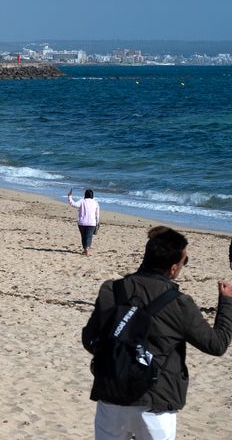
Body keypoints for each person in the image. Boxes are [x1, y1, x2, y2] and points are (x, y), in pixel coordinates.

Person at [81, 227, 231, 439]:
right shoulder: (180, 303)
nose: (182, 266)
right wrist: (227, 302)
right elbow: (217, 345)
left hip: (111, 394)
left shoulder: (111, 290)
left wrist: (120, 357)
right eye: (183, 261)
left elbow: (89, 339)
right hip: (155, 402)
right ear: (172, 269)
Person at [69, 188, 101, 255]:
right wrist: (97, 222)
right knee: (89, 236)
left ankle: (84, 248)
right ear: (92, 195)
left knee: (83, 236)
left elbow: (73, 204)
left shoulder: (82, 201)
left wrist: (70, 197)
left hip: (82, 222)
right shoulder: (95, 202)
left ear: (85, 195)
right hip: (92, 223)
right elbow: (97, 214)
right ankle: (87, 248)